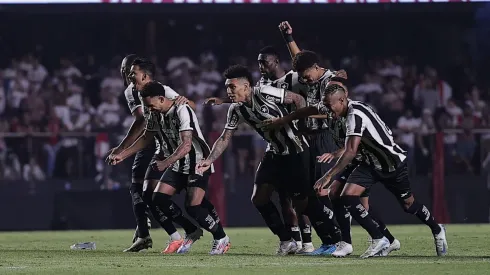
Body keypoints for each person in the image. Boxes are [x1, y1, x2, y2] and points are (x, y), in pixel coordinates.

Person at [197, 65, 341, 255]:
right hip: (274, 153)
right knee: (259, 198)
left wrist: (299, 124)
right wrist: (209, 160)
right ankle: (286, 239)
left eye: (232, 87)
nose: (228, 92)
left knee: (302, 203)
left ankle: (334, 240)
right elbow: (225, 137)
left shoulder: (266, 92)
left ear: (246, 86)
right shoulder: (236, 110)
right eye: (227, 88)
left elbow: (298, 98)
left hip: (296, 151)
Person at [263, 79, 400, 257]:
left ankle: (377, 238)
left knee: (349, 200)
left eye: (331, 101)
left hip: (361, 161)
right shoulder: (331, 112)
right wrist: (286, 119)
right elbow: (310, 111)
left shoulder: (353, 114)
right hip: (349, 158)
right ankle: (349, 241)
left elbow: (354, 145)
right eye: (326, 101)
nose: (327, 106)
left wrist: (334, 157)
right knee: (336, 195)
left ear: (343, 97)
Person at [314, 82, 448, 258]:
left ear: (342, 100)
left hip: (392, 164)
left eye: (330, 107)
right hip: (370, 164)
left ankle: (437, 229)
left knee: (409, 205)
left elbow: (351, 151)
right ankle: (378, 239)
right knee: (345, 194)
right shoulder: (345, 112)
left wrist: (328, 175)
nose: (329, 112)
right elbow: (351, 148)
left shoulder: (355, 115)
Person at [111, 81, 230, 255]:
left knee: (193, 206)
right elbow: (146, 137)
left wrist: (165, 162)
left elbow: (187, 145)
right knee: (157, 199)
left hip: (197, 162)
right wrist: (122, 154)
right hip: (176, 163)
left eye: (151, 106)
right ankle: (191, 229)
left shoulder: (182, 109)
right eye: (147, 107)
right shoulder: (154, 113)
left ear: (161, 99)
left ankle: (221, 238)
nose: (149, 110)